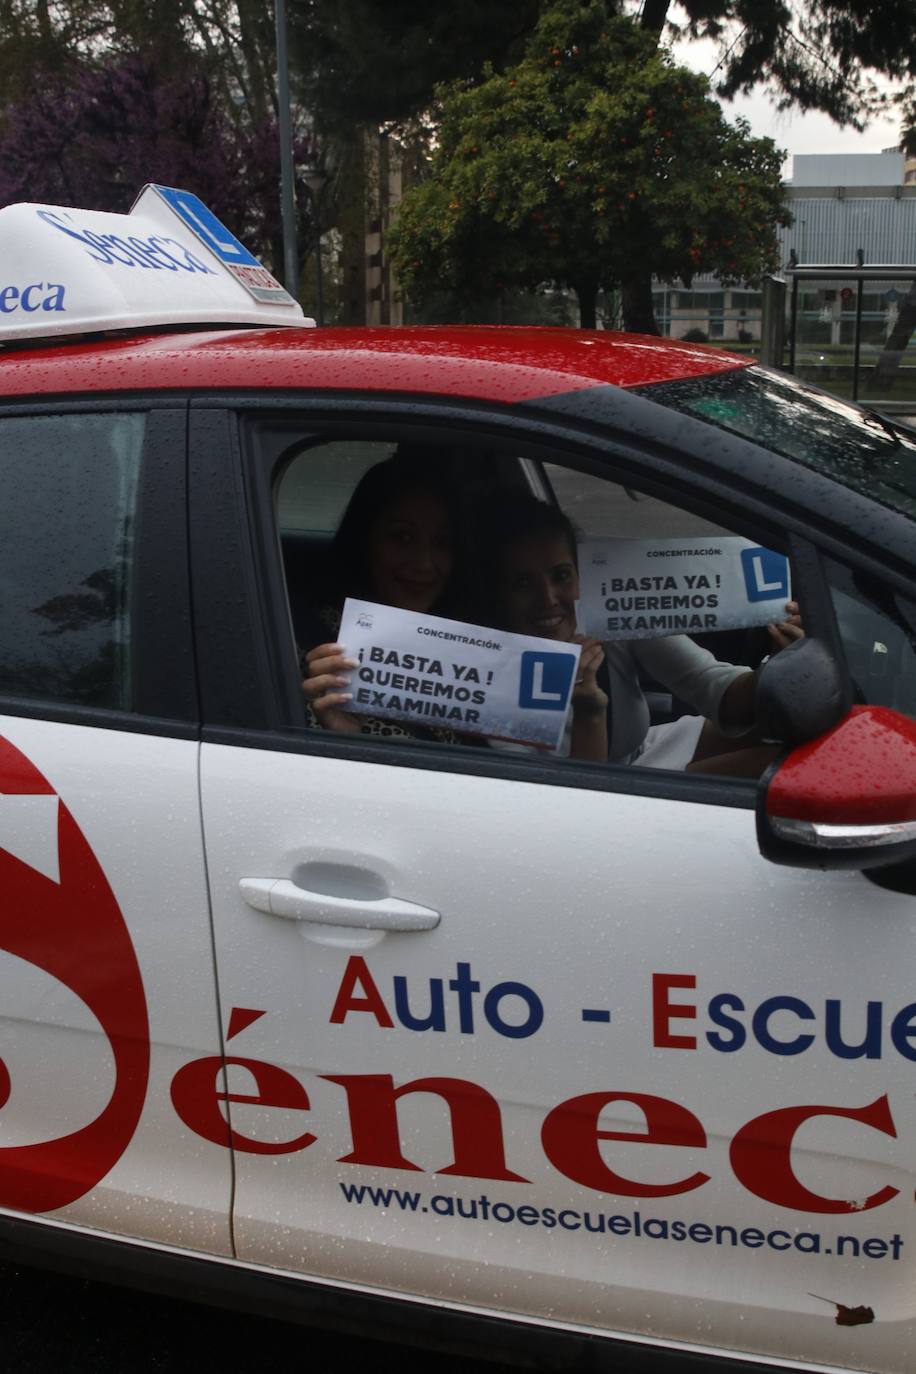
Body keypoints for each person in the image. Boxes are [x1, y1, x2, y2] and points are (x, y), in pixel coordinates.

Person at [480, 495, 803, 773]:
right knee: (774, 769)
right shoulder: (484, 677)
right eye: (523, 583)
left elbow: (710, 683)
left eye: (561, 575)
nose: (548, 598)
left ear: (581, 574)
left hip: (638, 752)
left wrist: (778, 666)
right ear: (498, 592)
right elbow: (578, 802)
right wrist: (589, 711)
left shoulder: (610, 614)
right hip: (588, 792)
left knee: (796, 735)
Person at [300, 452, 463, 740]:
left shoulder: (466, 649)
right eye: (403, 538)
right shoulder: (310, 655)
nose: (425, 563)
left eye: (442, 541)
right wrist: (342, 736)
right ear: (364, 540)